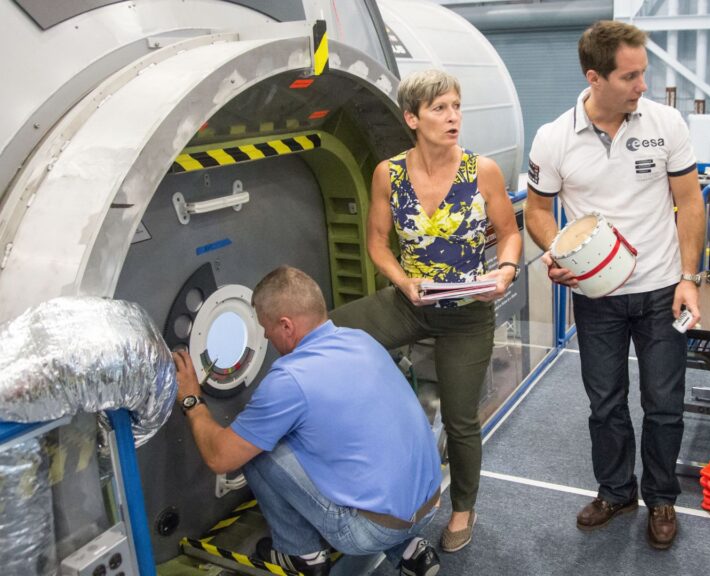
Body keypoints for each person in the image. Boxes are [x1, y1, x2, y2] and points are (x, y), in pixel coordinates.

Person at [524, 20, 705, 550]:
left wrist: (689, 278)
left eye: (643, 73)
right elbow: (537, 209)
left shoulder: (666, 123)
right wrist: (558, 250)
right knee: (605, 403)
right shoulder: (554, 137)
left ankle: (662, 497)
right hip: (596, 298)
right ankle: (617, 491)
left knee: (664, 403)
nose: (642, 85)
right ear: (594, 77)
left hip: (662, 289)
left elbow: (690, 202)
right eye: (630, 76)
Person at [328, 68, 522, 553]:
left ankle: (462, 507)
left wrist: (505, 272)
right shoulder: (388, 174)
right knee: (328, 336)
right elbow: (377, 243)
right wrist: (402, 280)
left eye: (457, 106)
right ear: (412, 118)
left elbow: (510, 233)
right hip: (410, 303)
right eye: (440, 109)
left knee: (460, 419)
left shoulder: (483, 172)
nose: (453, 117)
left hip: (467, 314)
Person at [174, 266, 443, 576]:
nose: (263, 335)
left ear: (286, 326)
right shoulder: (360, 340)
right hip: (430, 504)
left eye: (266, 327)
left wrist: (192, 400)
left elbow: (220, 457)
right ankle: (410, 551)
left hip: (369, 531)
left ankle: (302, 555)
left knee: (257, 449)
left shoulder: (289, 378)